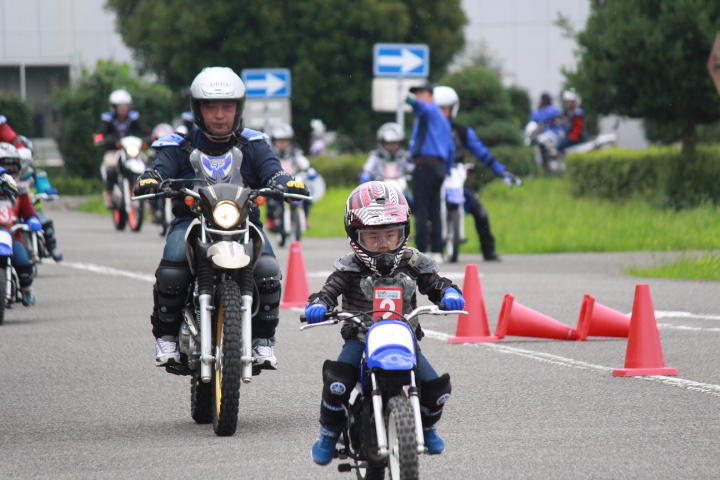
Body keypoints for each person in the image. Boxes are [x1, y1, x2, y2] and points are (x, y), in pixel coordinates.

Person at [134, 66, 308, 370]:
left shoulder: (254, 144)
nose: (219, 114)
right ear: (198, 109)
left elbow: (273, 170)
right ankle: (166, 338)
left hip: (243, 222)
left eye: (226, 107)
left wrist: (285, 181)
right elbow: (160, 168)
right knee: (172, 267)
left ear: (238, 108)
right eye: (211, 106)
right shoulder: (178, 145)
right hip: (192, 221)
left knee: (267, 270)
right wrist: (151, 177)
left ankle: (263, 341)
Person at [304, 181, 465, 465]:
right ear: (356, 236)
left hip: (404, 337)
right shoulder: (350, 266)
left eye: (391, 235)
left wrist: (449, 293)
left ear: (404, 232)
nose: (384, 245)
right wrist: (319, 304)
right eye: (373, 237)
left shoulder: (413, 261)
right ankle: (328, 434)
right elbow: (330, 290)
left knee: (436, 390)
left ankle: (427, 428)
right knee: (337, 383)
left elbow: (436, 283)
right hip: (360, 337)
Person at [434, 85, 522, 262]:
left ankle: (489, 251)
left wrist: (503, 172)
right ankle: (429, 250)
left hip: (456, 176)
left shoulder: (463, 132)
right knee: (422, 211)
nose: (441, 113)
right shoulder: (426, 132)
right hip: (434, 175)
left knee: (479, 210)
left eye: (445, 109)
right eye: (438, 109)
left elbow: (483, 153)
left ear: (453, 109)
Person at [406, 81, 455, 262]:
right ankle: (436, 250)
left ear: (431, 96)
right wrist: (446, 169)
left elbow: (421, 107)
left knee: (422, 209)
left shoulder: (430, 111)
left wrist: (408, 99)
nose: (418, 96)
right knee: (435, 208)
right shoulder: (442, 118)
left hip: (425, 164)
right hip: (439, 166)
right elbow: (450, 148)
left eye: (421, 93)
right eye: (416, 93)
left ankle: (422, 251)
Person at [0, 143, 43, 306]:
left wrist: (32, 219)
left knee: (23, 262)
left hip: (11, 235)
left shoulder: (19, 191)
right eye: (3, 166)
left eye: (11, 166)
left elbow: (28, 211)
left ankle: (26, 290)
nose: (7, 170)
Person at [94, 89, 150, 208]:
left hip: (131, 150)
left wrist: (150, 138)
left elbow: (145, 130)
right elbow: (100, 133)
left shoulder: (133, 118)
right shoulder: (108, 120)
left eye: (125, 106)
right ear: (114, 107)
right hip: (114, 150)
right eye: (120, 106)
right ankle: (108, 195)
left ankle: (145, 193)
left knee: (146, 164)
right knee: (111, 167)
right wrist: (101, 139)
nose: (123, 109)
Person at [265, 122, 318, 231]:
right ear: (274, 141)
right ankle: (270, 220)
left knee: (306, 198)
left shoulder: (295, 152)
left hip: (294, 181)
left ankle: (305, 218)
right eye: (280, 141)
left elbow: (303, 162)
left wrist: (310, 170)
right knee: (271, 200)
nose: (283, 143)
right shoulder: (270, 154)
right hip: (278, 183)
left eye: (285, 140)